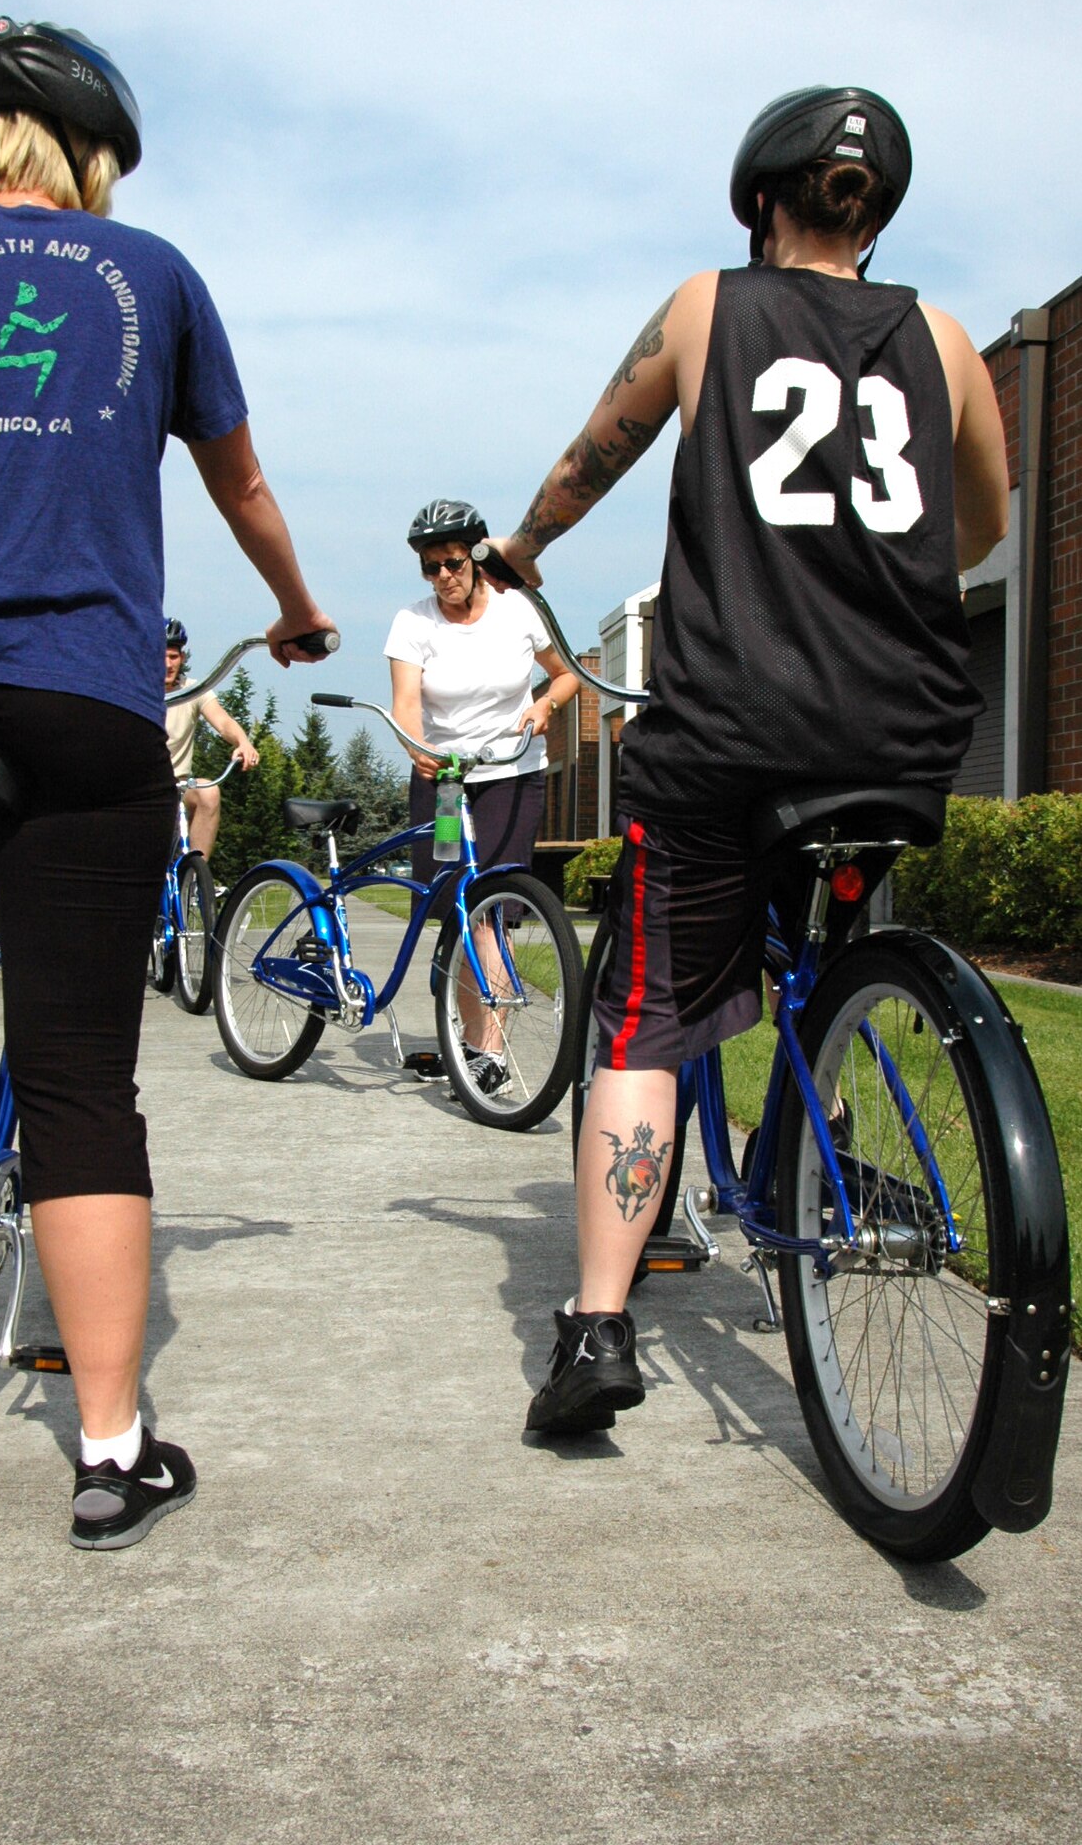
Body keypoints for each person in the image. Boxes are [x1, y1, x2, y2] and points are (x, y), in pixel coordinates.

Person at [0, 16, 335, 1545]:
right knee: (80, 1087)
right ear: (94, 158)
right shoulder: (157, 274)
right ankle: (109, 1446)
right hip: (78, 701)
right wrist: (297, 612)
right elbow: (238, 481)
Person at [482, 86, 1009, 1435]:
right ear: (871, 216)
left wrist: (523, 554)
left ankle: (596, 1324)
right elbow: (979, 519)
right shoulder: (941, 338)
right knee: (821, 951)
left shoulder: (706, 308)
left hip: (726, 735)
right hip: (898, 728)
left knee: (643, 1018)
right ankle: (818, 1139)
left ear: (757, 202)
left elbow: (590, 458)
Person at [385, 499, 579, 1089]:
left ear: (474, 556)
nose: (442, 576)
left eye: (451, 562)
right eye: (429, 566)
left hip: (511, 775)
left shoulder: (518, 612)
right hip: (444, 783)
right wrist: (416, 747)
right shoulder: (412, 623)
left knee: (494, 907)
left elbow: (566, 672)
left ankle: (488, 1050)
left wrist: (546, 704)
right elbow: (407, 704)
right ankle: (469, 1039)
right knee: (456, 910)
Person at [163, 616, 259, 858]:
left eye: (173, 656)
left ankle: (195, 880)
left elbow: (223, 721)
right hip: (140, 788)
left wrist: (242, 742)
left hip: (179, 787)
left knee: (209, 792)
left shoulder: (193, 689)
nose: (168, 663)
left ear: (182, 658)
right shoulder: (137, 689)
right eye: (161, 655)